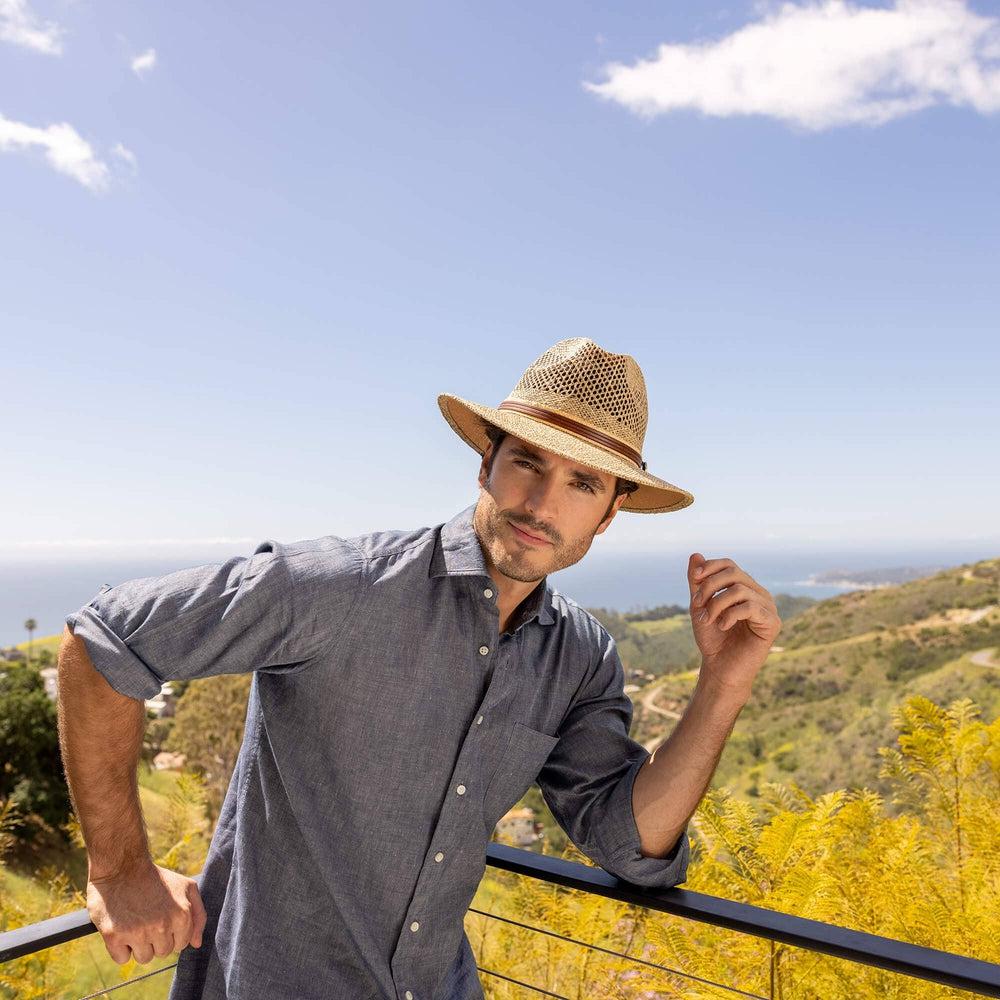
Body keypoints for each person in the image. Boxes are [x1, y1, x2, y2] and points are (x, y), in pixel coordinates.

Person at [57, 337, 781, 1000]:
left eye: (583, 483)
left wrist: (724, 683)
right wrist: (121, 872)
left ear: (611, 512)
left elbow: (627, 840)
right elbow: (104, 640)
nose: (541, 503)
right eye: (528, 461)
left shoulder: (580, 658)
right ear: (486, 460)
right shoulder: (338, 588)